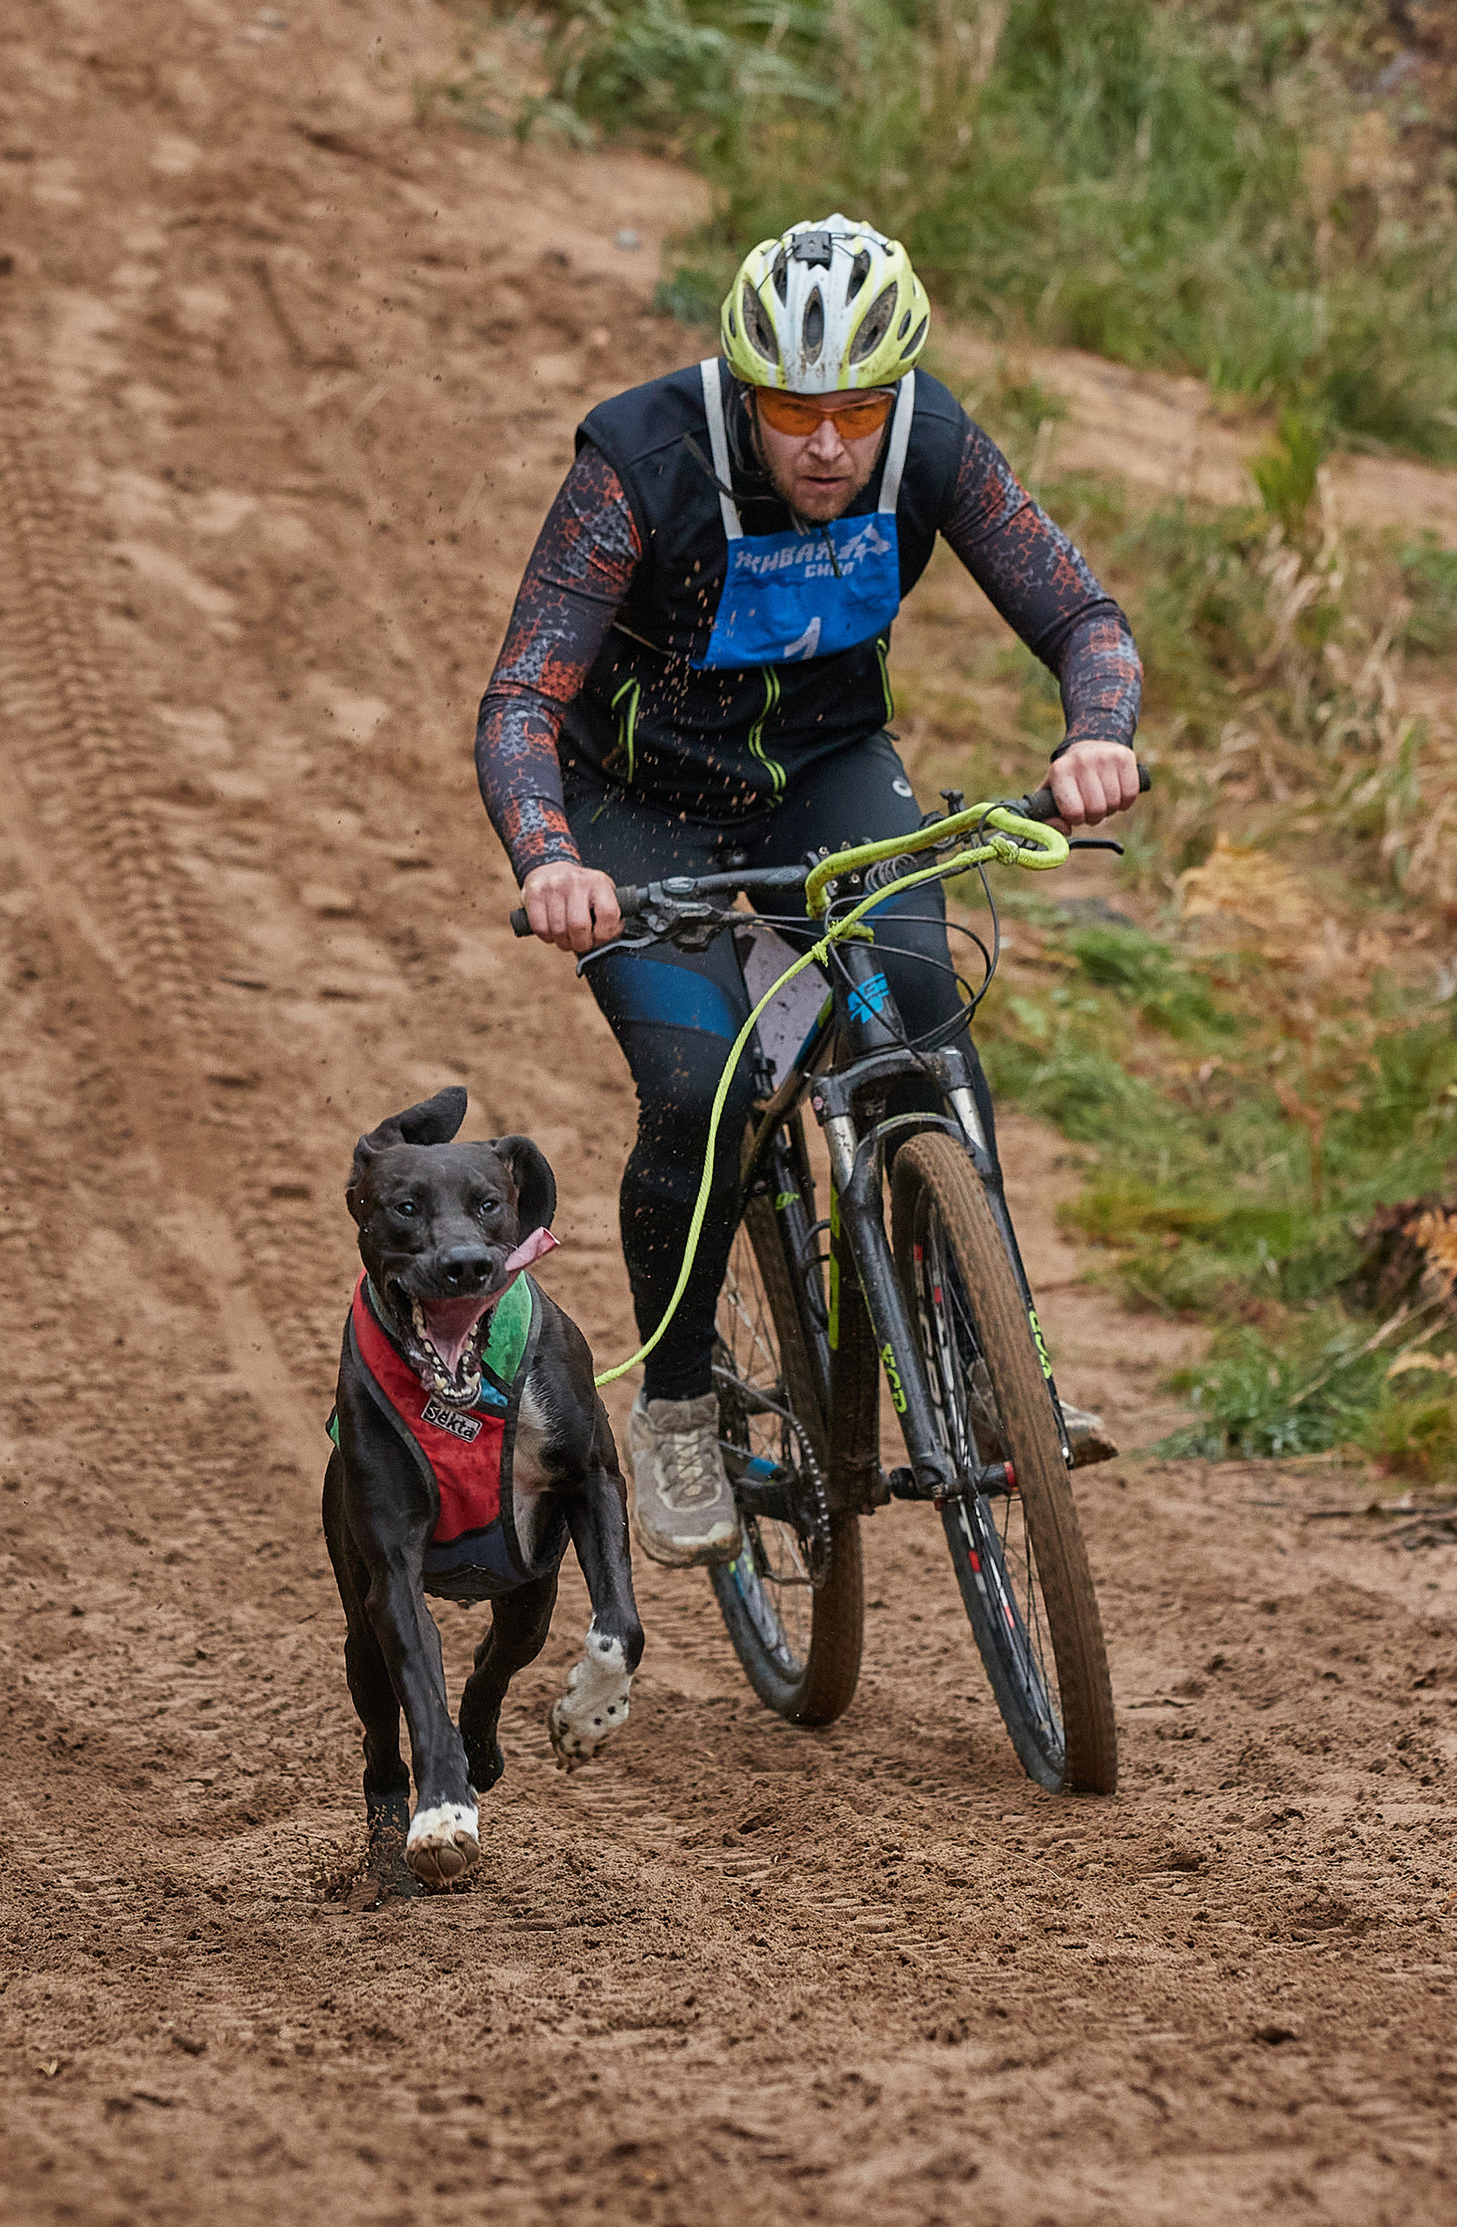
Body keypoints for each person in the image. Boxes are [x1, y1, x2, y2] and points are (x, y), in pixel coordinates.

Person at [477, 214, 1143, 1568]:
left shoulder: (930, 444)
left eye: (854, 412)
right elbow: (519, 702)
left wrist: (1097, 730)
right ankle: (672, 1410)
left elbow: (1084, 618)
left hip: (826, 776)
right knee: (698, 1088)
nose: (827, 447)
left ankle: (998, 1355)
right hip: (637, 808)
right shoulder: (639, 465)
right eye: (793, 413)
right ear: (741, 390)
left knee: (919, 1002)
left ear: (893, 397)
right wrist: (553, 858)